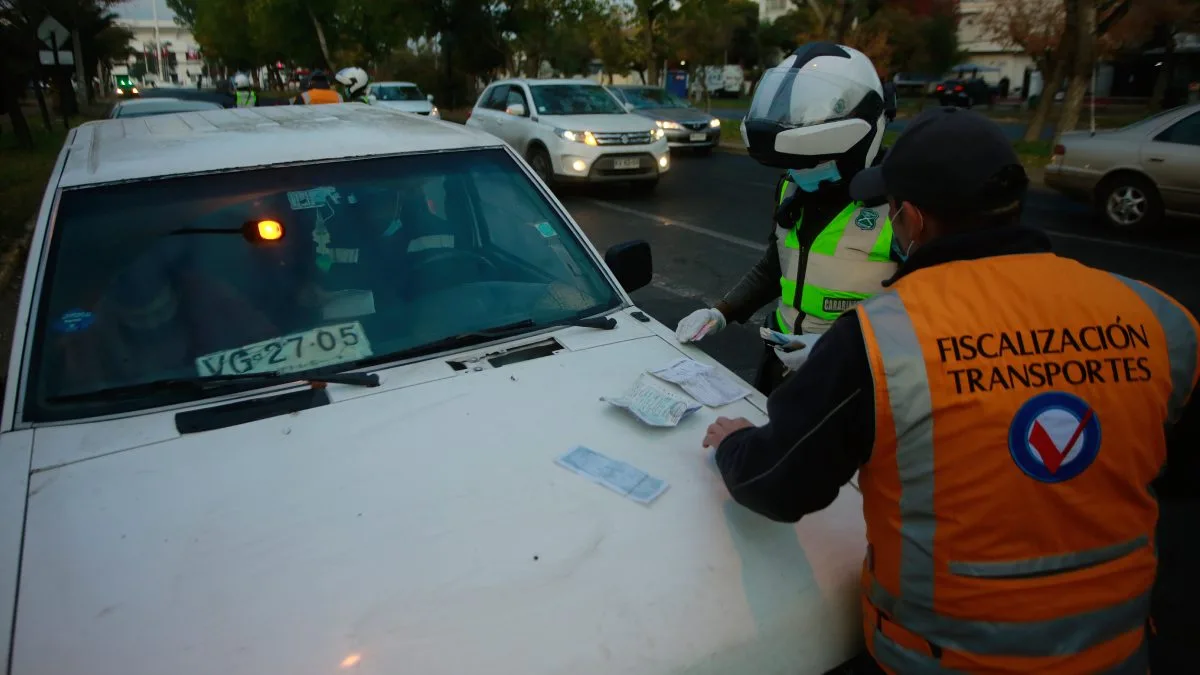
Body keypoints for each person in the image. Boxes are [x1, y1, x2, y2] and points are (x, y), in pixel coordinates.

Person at [701, 106, 1200, 674]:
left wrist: (734, 443)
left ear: (910, 220)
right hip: (1119, 651)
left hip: (944, 657)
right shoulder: (1158, 316)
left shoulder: (880, 339)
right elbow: (1181, 471)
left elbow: (777, 486)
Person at [674, 42, 898, 395]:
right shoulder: (792, 189)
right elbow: (774, 267)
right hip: (781, 358)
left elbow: (926, 318)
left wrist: (843, 352)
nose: (799, 173)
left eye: (812, 163)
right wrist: (721, 312)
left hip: (855, 380)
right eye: (793, 165)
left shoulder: (897, 205)